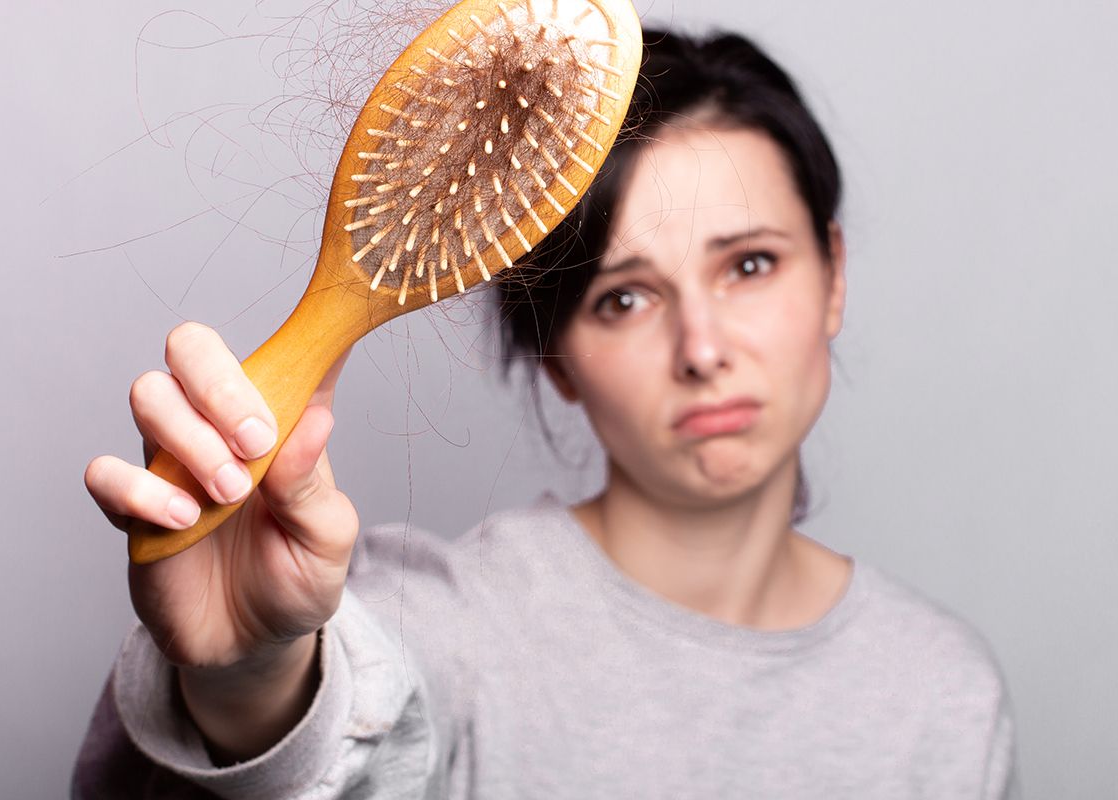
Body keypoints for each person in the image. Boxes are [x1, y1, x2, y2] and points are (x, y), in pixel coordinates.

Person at [74, 27, 1018, 799]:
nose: (702, 348)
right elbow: (360, 729)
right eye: (624, 298)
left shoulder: (946, 695)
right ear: (555, 360)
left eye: (751, 265)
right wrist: (250, 681)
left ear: (835, 276)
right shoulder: (443, 623)